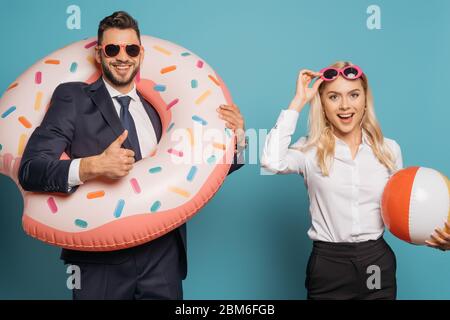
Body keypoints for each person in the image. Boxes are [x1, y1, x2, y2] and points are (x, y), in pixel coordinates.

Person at [18, 11, 246, 300]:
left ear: (141, 54)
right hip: (99, 256)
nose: (122, 57)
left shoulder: (162, 109)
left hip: (162, 252)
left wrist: (235, 138)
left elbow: (196, 168)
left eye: (131, 49)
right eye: (112, 49)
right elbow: (31, 170)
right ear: (99, 54)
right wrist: (91, 166)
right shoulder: (73, 98)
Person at [261, 61, 449, 300]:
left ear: (364, 99)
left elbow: (404, 212)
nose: (345, 106)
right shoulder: (309, 150)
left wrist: (436, 237)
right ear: (322, 104)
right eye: (333, 97)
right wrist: (298, 102)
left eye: (353, 95)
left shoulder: (388, 150)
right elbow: (270, 161)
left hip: (377, 263)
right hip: (329, 266)